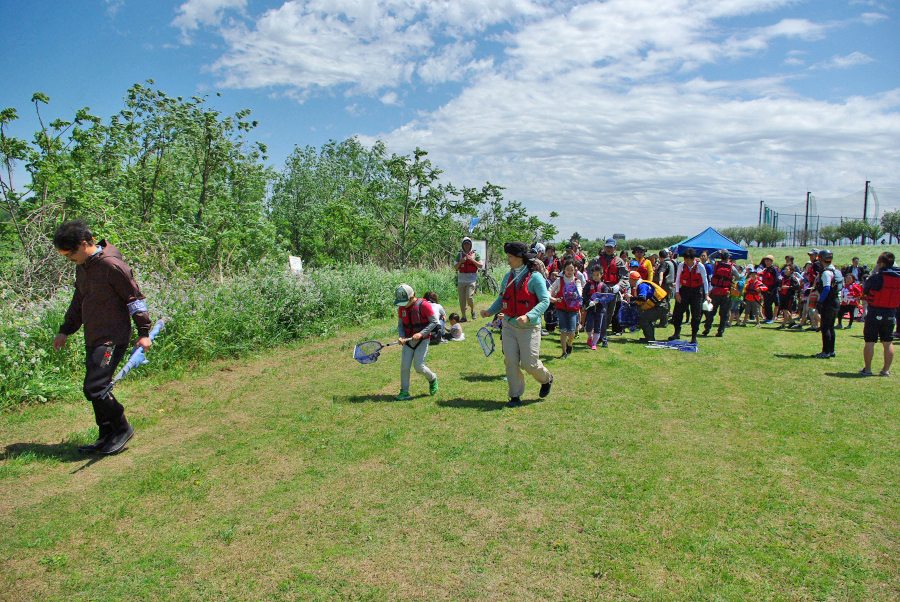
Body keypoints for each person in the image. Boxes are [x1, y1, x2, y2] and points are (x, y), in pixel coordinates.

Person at [52, 220, 152, 455]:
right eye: (62, 253)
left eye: (69, 252)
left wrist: (144, 333)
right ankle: (106, 435)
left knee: (95, 388)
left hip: (112, 337)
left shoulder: (112, 266)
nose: (67, 258)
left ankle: (121, 428)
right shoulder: (83, 266)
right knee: (99, 387)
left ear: (85, 243)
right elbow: (78, 302)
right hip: (94, 336)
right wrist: (65, 330)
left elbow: (134, 299)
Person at [481, 242, 554, 407]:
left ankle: (546, 379)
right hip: (508, 326)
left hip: (529, 327)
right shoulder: (507, 277)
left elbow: (544, 301)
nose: (508, 260)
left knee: (529, 364)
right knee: (511, 362)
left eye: (510, 257)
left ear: (520, 258)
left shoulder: (535, 277)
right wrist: (490, 311)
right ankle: (514, 395)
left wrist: (528, 316)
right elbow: (502, 299)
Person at [394, 284, 440, 399]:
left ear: (411, 297)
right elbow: (400, 325)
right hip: (408, 341)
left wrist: (421, 333)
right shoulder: (402, 308)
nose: (402, 306)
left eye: (404, 302)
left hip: (422, 340)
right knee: (404, 366)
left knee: (419, 367)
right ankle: (404, 392)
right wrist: (401, 336)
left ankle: (432, 378)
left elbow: (434, 322)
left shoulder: (424, 305)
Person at [859, 252, 900, 376]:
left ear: (881, 263)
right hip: (891, 313)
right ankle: (885, 370)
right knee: (888, 342)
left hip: (875, 311)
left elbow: (866, 290)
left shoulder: (876, 277)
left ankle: (867, 369)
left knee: (870, 341)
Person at [669, 247, 709, 344]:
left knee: (696, 315)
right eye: (684, 259)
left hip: (697, 292)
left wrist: (707, 295)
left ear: (692, 259)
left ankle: (694, 336)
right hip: (685, 290)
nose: (685, 261)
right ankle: (676, 333)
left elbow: (705, 281)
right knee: (677, 313)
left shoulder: (700, 267)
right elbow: (678, 279)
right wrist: (677, 293)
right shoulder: (681, 266)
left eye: (687, 259)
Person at [812, 249, 844, 359]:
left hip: (828, 301)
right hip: (835, 300)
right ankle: (831, 350)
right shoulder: (836, 270)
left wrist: (820, 302)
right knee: (830, 327)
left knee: (825, 327)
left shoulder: (826, 273)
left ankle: (825, 351)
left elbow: (826, 288)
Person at [703, 250, 742, 337]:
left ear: (720, 257)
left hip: (715, 292)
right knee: (724, 314)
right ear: (728, 257)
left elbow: (710, 257)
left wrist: (717, 252)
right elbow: (738, 277)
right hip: (726, 293)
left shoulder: (716, 265)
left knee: (711, 312)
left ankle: (707, 328)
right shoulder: (731, 267)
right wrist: (744, 272)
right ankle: (720, 331)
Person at [549, 259, 583, 358]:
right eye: (567, 269)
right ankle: (564, 352)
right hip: (561, 308)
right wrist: (551, 297)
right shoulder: (559, 280)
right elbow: (550, 289)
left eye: (571, 269)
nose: (569, 271)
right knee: (563, 330)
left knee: (571, 331)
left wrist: (575, 294)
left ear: (574, 271)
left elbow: (579, 291)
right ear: (564, 269)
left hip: (573, 309)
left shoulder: (577, 280)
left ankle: (570, 344)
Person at [595, 238, 629, 337]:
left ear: (615, 248)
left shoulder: (619, 261)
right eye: (607, 247)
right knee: (600, 311)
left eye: (611, 247)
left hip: (613, 289)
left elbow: (625, 276)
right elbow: (591, 273)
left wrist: (619, 285)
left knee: (610, 313)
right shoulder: (597, 260)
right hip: (600, 289)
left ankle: (603, 332)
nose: (609, 249)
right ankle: (600, 334)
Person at [624, 271, 669, 342]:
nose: (628, 281)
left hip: (661, 306)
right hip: (661, 305)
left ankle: (649, 338)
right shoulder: (642, 284)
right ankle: (649, 337)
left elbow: (643, 298)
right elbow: (640, 302)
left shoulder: (642, 285)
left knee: (644, 318)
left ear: (633, 279)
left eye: (629, 279)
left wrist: (631, 297)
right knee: (645, 317)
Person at [454, 236, 482, 322]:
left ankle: (472, 310)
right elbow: (455, 267)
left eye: (468, 244)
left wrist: (472, 260)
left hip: (471, 279)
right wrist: (461, 261)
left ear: (470, 245)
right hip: (461, 279)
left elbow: (480, 265)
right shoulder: (459, 255)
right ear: (463, 245)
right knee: (462, 299)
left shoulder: (475, 254)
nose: (466, 246)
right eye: (465, 244)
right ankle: (463, 316)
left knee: (469, 297)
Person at [583, 265, 611, 349]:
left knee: (598, 326)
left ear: (601, 275)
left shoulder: (603, 286)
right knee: (588, 325)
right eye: (594, 275)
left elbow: (605, 296)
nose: (595, 277)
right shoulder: (588, 284)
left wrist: (599, 300)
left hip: (600, 309)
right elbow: (584, 294)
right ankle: (589, 337)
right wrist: (588, 301)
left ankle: (594, 343)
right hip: (590, 308)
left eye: (597, 275)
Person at [776, 264, 801, 329]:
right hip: (783, 295)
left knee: (786, 310)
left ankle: (784, 324)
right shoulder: (783, 278)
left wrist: (788, 287)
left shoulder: (793, 278)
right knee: (784, 310)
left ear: (791, 271)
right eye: (785, 269)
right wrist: (780, 288)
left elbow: (797, 287)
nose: (785, 271)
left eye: (787, 269)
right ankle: (792, 322)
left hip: (789, 296)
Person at [758, 255, 781, 323]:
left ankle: (770, 318)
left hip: (772, 290)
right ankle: (767, 317)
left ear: (771, 261)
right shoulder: (765, 269)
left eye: (768, 260)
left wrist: (771, 289)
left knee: (770, 303)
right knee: (766, 304)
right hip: (765, 289)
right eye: (766, 260)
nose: (767, 262)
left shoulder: (774, 269)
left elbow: (776, 280)